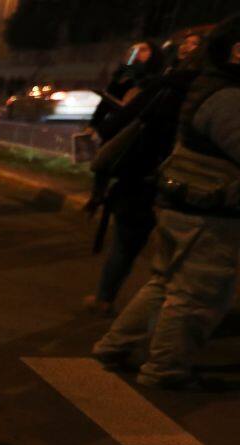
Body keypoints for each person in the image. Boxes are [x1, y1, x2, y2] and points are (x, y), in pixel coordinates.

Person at [92, 14, 240, 391]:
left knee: (165, 283)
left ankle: (114, 346)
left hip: (187, 205)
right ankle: (165, 370)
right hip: (207, 213)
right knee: (196, 295)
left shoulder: (210, 85)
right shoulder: (228, 97)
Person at [84, 34, 204, 316]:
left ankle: (105, 299)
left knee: (126, 244)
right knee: (174, 259)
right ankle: (164, 315)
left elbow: (117, 124)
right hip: (189, 184)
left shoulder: (165, 85)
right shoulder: (217, 95)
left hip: (143, 177)